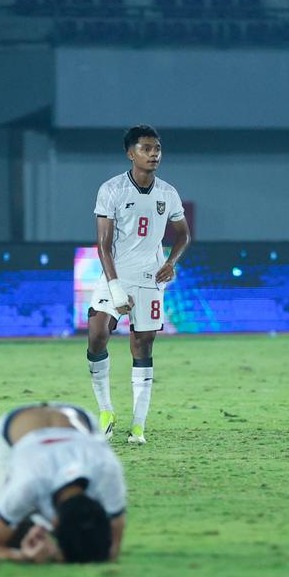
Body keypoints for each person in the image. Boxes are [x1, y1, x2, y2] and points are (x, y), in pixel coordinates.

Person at [86, 125, 191, 444]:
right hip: (115, 276)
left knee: (143, 345)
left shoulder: (168, 193)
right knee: (97, 335)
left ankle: (138, 426)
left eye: (157, 148)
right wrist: (116, 287)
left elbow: (183, 235)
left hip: (149, 280)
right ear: (130, 154)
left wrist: (170, 263)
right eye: (146, 148)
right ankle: (106, 411)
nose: (154, 154)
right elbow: (103, 245)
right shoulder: (112, 189)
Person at [0, 402, 126, 564]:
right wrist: (23, 556)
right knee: (8, 537)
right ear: (53, 523)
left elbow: (113, 544)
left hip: (77, 419)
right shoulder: (26, 485)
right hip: (15, 425)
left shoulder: (107, 470)